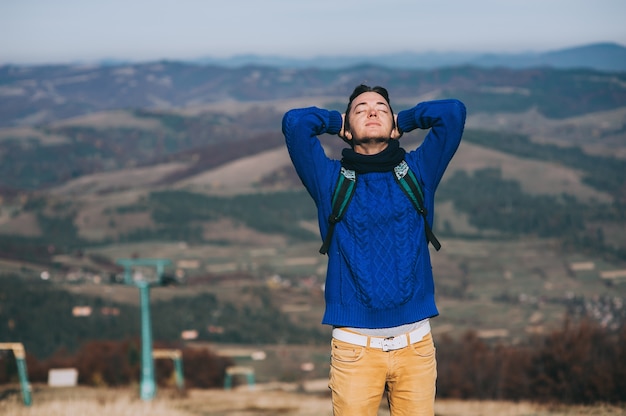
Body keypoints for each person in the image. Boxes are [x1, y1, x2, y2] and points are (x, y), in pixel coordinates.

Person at [282, 84, 466, 416]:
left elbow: (452, 113)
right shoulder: (329, 179)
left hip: (416, 348)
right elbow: (295, 123)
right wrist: (335, 120)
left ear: (392, 124)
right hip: (355, 351)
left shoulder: (419, 172)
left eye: (381, 107)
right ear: (347, 129)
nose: (372, 111)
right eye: (360, 108)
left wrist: (405, 119)